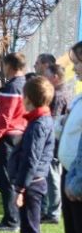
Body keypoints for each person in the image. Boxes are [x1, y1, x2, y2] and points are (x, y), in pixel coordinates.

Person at [42, 42, 82, 233]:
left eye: (78, 62)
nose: (75, 67)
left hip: (77, 179)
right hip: (72, 175)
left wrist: (77, 180)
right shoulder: (79, 97)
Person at [6, 76, 56, 233]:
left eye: (23, 96)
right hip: (32, 183)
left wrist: (20, 189)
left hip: (32, 185)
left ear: (29, 98)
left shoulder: (39, 124)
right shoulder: (39, 120)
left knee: (30, 231)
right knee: (28, 230)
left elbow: (31, 160)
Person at [0, 53, 29, 233]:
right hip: (20, 134)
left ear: (10, 66)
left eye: (4, 65)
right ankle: (10, 217)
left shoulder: (12, 86)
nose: (3, 69)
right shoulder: (26, 84)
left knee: (5, 179)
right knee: (10, 178)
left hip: (8, 136)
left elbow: (5, 117)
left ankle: (12, 220)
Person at [42, 56, 70, 224]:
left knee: (52, 175)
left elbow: (54, 120)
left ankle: (53, 212)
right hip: (57, 140)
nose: (44, 79)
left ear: (55, 77)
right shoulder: (61, 92)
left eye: (47, 76)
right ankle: (50, 209)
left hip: (55, 141)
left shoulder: (57, 95)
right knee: (51, 174)